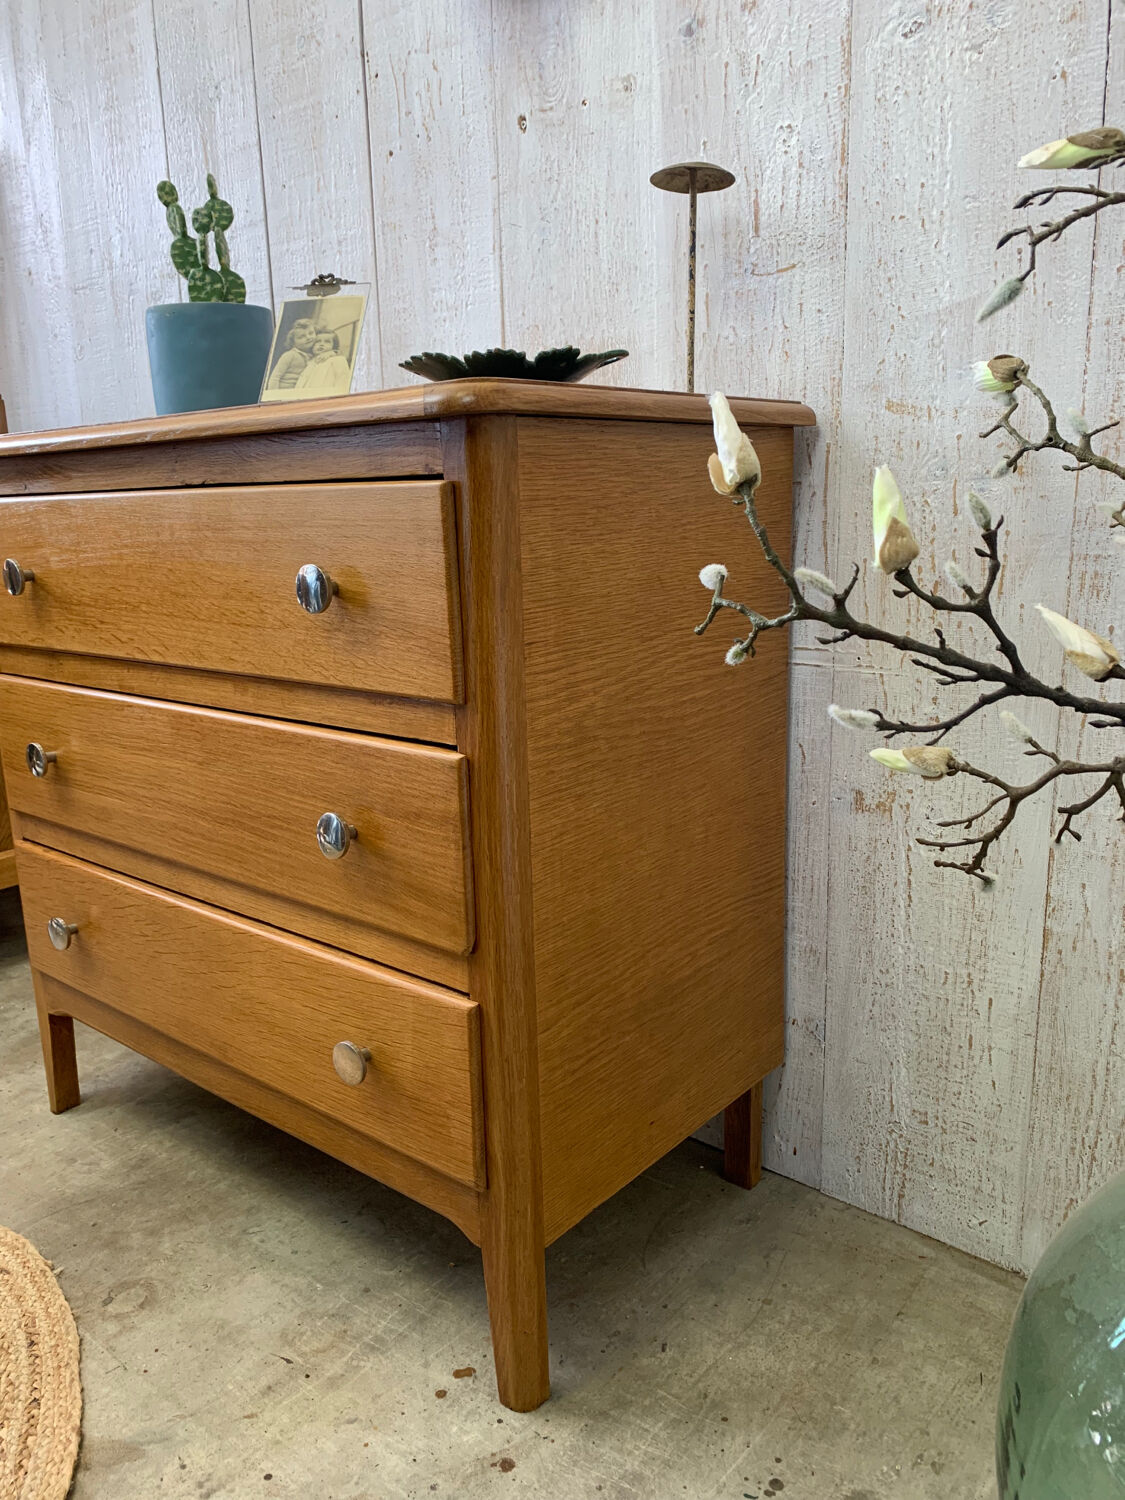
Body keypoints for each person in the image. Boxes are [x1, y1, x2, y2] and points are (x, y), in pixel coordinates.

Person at [294, 329, 352, 395]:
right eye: (318, 341)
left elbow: (342, 382)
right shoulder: (310, 363)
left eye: (327, 342)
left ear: (334, 346)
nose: (321, 344)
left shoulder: (338, 360)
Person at [265, 317, 316, 390]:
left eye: (311, 333)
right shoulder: (289, 355)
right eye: (301, 337)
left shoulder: (313, 354)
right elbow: (275, 377)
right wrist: (274, 396)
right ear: (293, 342)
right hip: (283, 392)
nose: (308, 337)